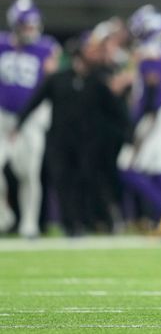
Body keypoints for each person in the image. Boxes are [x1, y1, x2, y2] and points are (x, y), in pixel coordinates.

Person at [14, 33, 127, 236]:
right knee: (62, 183)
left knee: (84, 182)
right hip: (60, 140)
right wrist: (19, 124)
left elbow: (115, 110)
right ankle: (70, 224)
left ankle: (86, 222)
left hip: (87, 142)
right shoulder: (58, 79)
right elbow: (35, 101)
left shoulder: (96, 81)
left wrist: (128, 133)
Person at [117, 6, 161, 236]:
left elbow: (152, 86)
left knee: (128, 167)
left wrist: (137, 123)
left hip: (156, 114)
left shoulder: (152, 52)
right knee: (159, 166)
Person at [0, 0, 60, 238]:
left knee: (29, 173)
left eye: (33, 25)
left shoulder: (47, 48)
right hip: (2, 116)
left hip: (31, 119)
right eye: (26, 25)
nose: (30, 30)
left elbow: (51, 82)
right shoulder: (2, 44)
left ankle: (29, 224)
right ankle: (5, 214)